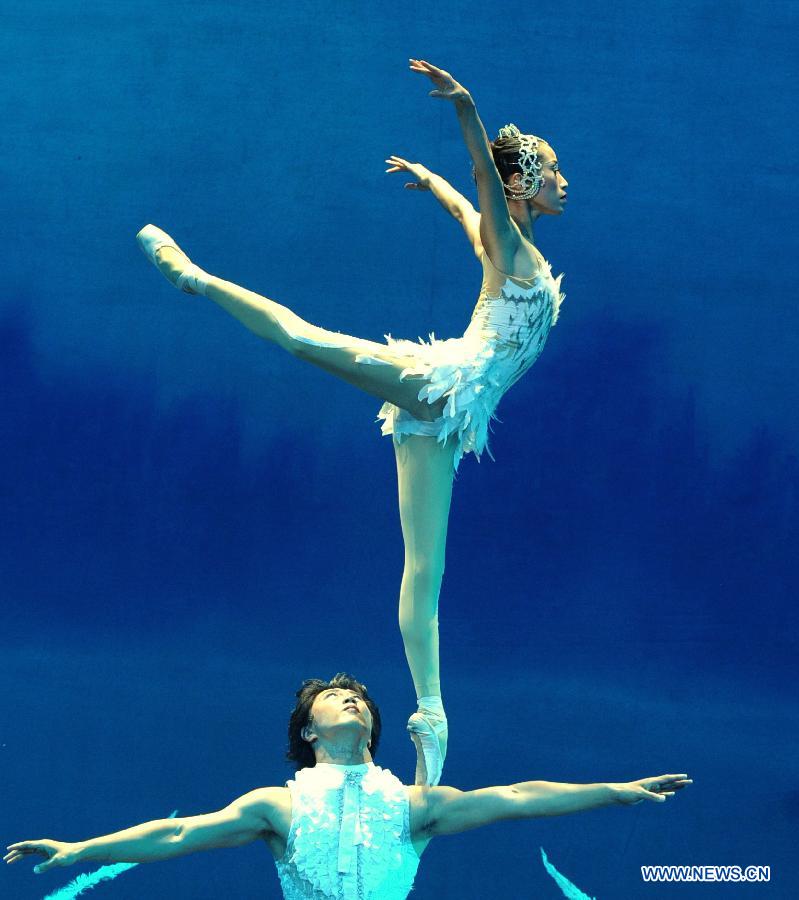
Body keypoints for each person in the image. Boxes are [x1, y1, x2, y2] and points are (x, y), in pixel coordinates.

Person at [134, 59, 569, 787]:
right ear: (523, 182)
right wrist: (465, 109)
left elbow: (470, 210)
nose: (564, 182)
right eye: (553, 171)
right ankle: (194, 277)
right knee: (308, 340)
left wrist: (429, 181)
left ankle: (431, 717)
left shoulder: (512, 246)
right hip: (439, 380)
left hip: (451, 419)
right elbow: (482, 191)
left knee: (424, 571)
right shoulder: (508, 235)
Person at [4, 674, 692, 900]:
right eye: (335, 698)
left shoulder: (411, 805)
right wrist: (79, 847)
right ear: (308, 732)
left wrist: (613, 790)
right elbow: (180, 832)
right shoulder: (277, 803)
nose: (352, 701)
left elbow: (515, 798)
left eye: (359, 698)